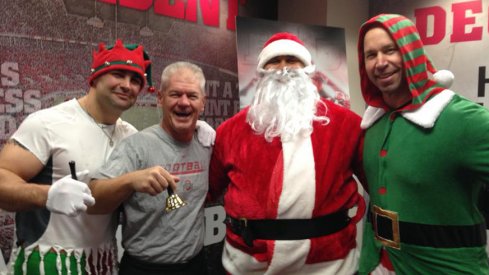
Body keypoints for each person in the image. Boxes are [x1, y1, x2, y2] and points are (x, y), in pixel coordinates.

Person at [209, 32, 366, 274]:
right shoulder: (230, 131)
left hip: (329, 264)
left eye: (292, 60)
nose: (283, 69)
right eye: (274, 61)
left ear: (307, 70)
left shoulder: (347, 125)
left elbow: (379, 183)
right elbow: (207, 190)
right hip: (248, 263)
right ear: (261, 72)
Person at [0, 39, 152, 274]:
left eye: (135, 80)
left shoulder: (130, 136)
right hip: (46, 261)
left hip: (103, 261)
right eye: (118, 74)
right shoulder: (47, 122)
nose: (127, 85)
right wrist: (46, 195)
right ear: (96, 78)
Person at [357, 14, 489, 274]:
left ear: (411, 52)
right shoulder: (374, 123)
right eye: (371, 55)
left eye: (390, 50)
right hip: (378, 264)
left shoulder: (463, 119)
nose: (380, 63)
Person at [88, 61, 212, 275]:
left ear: (203, 103)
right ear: (160, 99)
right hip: (145, 268)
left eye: (192, 96)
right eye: (175, 94)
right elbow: (92, 199)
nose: (184, 103)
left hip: (196, 264)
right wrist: (130, 180)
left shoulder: (207, 143)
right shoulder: (137, 146)